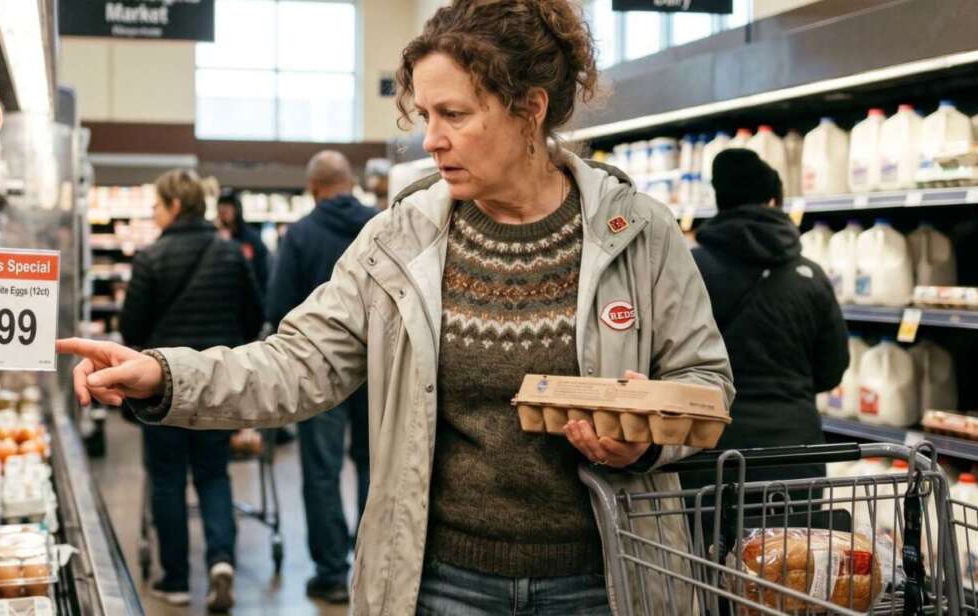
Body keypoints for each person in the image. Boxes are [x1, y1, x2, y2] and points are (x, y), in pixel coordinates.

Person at [57, 1, 733, 613]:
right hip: (440, 580)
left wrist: (648, 433)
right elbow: (299, 362)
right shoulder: (399, 237)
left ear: (530, 108)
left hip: (607, 578)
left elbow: (707, 381)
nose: (430, 139)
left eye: (455, 115)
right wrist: (165, 376)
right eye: (425, 116)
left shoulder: (638, 232)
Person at [117, 169, 264, 612]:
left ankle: (176, 578)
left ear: (175, 206)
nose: (155, 214)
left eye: (158, 205)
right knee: (213, 474)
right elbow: (253, 317)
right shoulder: (231, 254)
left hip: (161, 389)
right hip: (217, 387)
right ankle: (221, 563)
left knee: (166, 479)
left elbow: (131, 329)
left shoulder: (150, 259)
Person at [681, 148, 849, 496]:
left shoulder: (688, 271)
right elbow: (832, 370)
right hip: (795, 453)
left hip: (710, 452)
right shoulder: (810, 276)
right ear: (773, 200)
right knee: (795, 549)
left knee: (709, 548)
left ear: (720, 199)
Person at [266, 150, 376, 604]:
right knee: (379, 465)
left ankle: (331, 573)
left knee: (322, 471)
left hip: (320, 373)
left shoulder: (301, 235)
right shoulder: (384, 225)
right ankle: (374, 565)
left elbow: (277, 308)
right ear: (351, 182)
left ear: (313, 189)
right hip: (381, 371)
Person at [216, 186, 272, 295]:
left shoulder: (252, 238)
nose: (223, 210)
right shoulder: (215, 237)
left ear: (237, 208)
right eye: (221, 206)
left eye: (228, 205)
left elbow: (262, 273)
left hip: (248, 297)